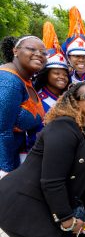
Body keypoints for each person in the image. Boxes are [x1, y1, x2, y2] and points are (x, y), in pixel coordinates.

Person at [0, 80, 85, 237]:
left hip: (52, 202)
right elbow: (52, 181)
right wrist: (66, 220)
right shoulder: (63, 127)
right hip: (24, 205)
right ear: (75, 102)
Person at [0, 35, 47, 177]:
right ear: (15, 51)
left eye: (43, 53)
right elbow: (2, 131)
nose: (39, 54)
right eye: (31, 49)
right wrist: (5, 171)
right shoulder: (8, 81)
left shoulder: (24, 80)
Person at [34, 22, 70, 113]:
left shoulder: (68, 98)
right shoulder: (36, 99)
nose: (62, 77)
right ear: (46, 74)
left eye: (65, 74)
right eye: (56, 73)